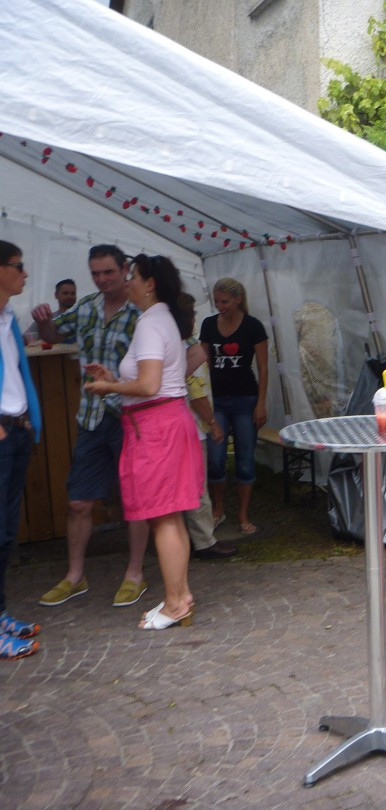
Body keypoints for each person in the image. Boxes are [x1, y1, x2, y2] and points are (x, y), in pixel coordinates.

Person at [84, 255, 203, 629]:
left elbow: (149, 385)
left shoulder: (151, 323)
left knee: (163, 520)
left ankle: (173, 603)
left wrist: (108, 385)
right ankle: (180, 596)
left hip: (157, 428)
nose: (126, 281)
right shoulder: (158, 319)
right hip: (165, 423)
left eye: (132, 276)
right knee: (172, 518)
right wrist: (113, 382)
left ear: (149, 283)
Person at [33, 245, 150, 609]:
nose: (101, 280)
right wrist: (43, 321)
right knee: (79, 501)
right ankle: (74, 576)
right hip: (91, 418)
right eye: (95, 274)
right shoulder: (85, 307)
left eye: (108, 273)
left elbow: (188, 351)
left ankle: (135, 575)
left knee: (135, 501)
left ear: (124, 269)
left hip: (131, 418)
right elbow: (55, 332)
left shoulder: (143, 311)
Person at [0, 242, 43, 659]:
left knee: (6, 533)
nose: (25, 274)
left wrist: (29, 419)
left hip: (16, 430)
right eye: (18, 266)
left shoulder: (9, 318)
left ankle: (0, 615)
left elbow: (17, 374)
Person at [199, 278, 268, 535]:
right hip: (216, 401)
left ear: (238, 299)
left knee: (245, 458)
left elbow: (263, 367)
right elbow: (202, 363)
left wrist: (261, 403)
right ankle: (218, 509)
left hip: (244, 400)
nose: (220, 306)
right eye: (217, 302)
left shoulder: (253, 327)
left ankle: (243, 514)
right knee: (216, 458)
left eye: (224, 301)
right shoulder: (209, 325)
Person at [177, 293, 237, 560]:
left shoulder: (168, 344)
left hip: (176, 425)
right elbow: (196, 391)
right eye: (191, 314)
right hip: (193, 427)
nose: (194, 319)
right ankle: (204, 541)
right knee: (197, 485)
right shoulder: (190, 347)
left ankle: (183, 538)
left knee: (181, 484)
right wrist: (213, 423)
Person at [22, 278, 77, 344]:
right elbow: (24, 339)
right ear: (56, 295)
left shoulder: (82, 317)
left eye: (73, 293)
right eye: (65, 293)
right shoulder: (46, 318)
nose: (69, 296)